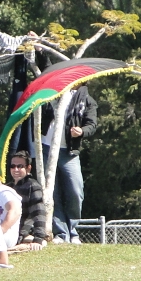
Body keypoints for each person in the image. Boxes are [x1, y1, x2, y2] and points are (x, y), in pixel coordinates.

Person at [41, 86, 97, 244]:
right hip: (46, 148)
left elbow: (92, 124)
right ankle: (60, 233)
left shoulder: (86, 99)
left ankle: (73, 231)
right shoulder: (51, 93)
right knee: (52, 193)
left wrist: (82, 131)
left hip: (69, 152)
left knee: (75, 190)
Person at [7, 150, 47, 250]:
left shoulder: (33, 186)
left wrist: (38, 239)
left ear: (28, 168)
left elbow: (39, 213)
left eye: (20, 166)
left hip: (21, 234)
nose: (15, 169)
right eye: (12, 166)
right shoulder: (8, 187)